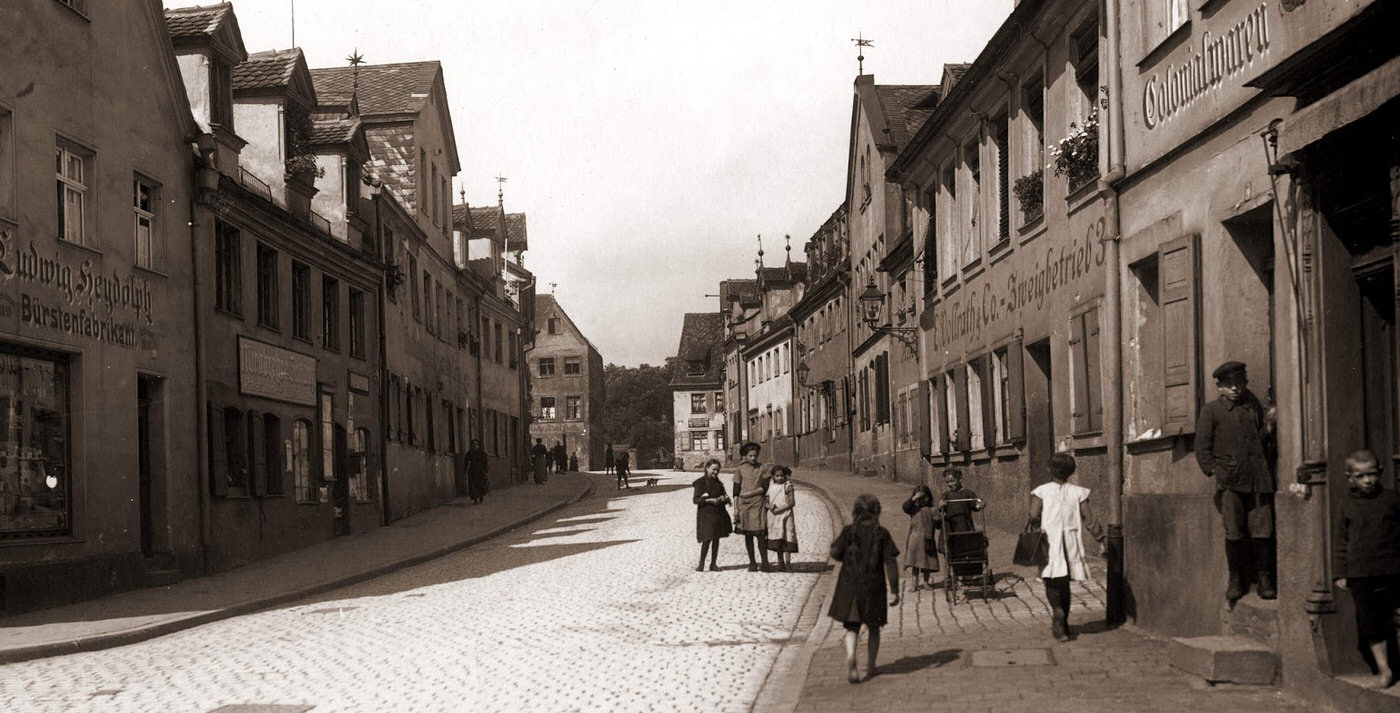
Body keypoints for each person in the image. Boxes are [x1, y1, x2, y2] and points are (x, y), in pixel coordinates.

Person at [1195, 360, 1276, 604]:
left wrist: (1269, 427)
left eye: (1239, 383)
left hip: (1258, 479)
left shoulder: (1252, 408)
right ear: (1219, 387)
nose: (1235, 389)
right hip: (1230, 482)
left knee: (1263, 531)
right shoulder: (1211, 411)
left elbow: (1259, 439)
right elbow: (1202, 447)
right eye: (1229, 385)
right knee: (1234, 532)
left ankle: (1264, 580)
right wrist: (1215, 471)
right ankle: (1236, 579)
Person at [1334, 449, 1400, 689]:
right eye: (1361, 476)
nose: (1368, 480)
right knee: (1371, 622)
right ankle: (1385, 670)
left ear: (1380, 473)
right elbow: (1341, 540)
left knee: (1392, 617)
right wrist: (1341, 572)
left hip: (1392, 570)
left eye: (1372, 474)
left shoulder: (1392, 499)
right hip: (1361, 573)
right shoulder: (1346, 504)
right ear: (1349, 477)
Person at [1028, 453, 1105, 642]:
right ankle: (1065, 623)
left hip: (1050, 543)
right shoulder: (1078, 492)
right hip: (1071, 542)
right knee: (1065, 584)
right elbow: (1089, 519)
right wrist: (1100, 538)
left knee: (1050, 581)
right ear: (1071, 472)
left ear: (1049, 470)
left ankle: (1057, 611)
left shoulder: (1042, 491)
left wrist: (1035, 521)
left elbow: (1033, 515)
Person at [827, 494, 901, 683]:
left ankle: (851, 656)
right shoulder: (882, 533)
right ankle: (871, 665)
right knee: (874, 627)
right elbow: (891, 562)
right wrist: (894, 591)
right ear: (877, 512)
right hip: (874, 587)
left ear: (856, 512)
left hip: (850, 586)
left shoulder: (848, 531)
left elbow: (835, 553)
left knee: (852, 627)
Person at [732, 442, 770, 572]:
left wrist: (751, 493)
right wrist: (736, 509)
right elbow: (736, 491)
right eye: (750, 456)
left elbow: (765, 487)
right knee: (748, 535)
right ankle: (752, 562)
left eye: (755, 456)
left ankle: (765, 562)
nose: (753, 458)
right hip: (744, 506)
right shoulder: (740, 470)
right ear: (745, 456)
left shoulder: (763, 469)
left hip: (758, 504)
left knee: (760, 534)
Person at [693, 458, 732, 572]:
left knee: (716, 538)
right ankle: (701, 564)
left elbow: (726, 497)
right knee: (707, 538)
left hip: (718, 514)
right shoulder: (700, 482)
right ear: (707, 468)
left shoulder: (719, 483)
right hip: (706, 514)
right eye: (713, 469)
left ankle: (713, 564)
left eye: (717, 470)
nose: (715, 472)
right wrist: (709, 500)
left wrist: (723, 498)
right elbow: (695, 500)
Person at [901, 485, 939, 591]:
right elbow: (905, 507)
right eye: (919, 498)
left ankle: (926, 582)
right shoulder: (913, 509)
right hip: (915, 538)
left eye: (924, 497)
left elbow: (939, 525)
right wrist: (914, 498)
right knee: (915, 561)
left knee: (927, 561)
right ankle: (914, 583)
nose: (923, 500)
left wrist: (937, 520)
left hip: (928, 538)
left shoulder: (932, 510)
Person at [766, 465, 798, 571]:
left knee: (787, 538)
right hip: (774, 516)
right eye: (777, 476)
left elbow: (791, 502)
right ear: (773, 477)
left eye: (782, 476)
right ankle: (780, 562)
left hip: (786, 515)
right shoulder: (771, 487)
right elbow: (766, 501)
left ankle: (788, 562)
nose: (780, 478)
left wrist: (779, 510)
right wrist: (770, 506)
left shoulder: (788, 486)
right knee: (778, 539)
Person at [465, 439, 489, 505]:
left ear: (478, 445)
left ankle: (480, 497)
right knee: (473, 486)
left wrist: (486, 472)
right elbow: (466, 462)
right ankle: (475, 499)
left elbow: (485, 463)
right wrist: (464, 470)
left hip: (480, 471)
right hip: (472, 471)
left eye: (476, 444)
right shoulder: (469, 453)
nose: (474, 445)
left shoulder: (482, 453)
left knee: (480, 485)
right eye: (473, 444)